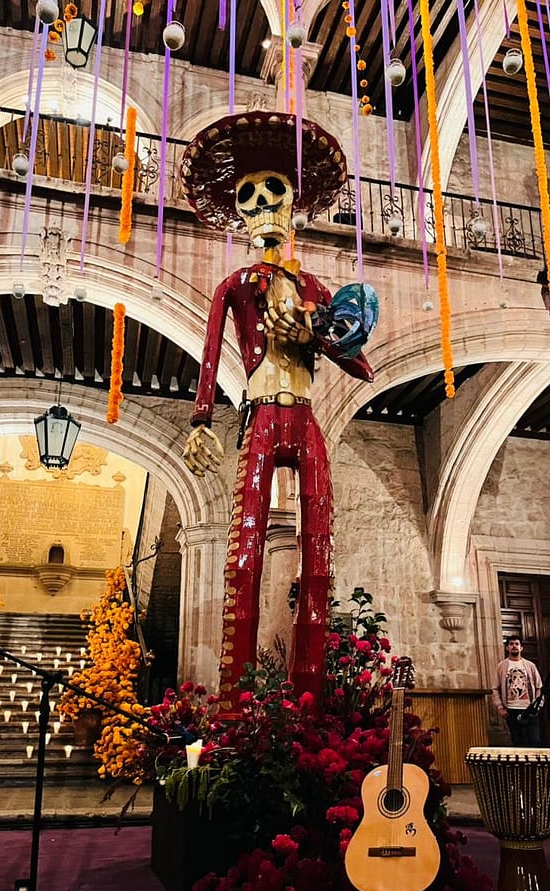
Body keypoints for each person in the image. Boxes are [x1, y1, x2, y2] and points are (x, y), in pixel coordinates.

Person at [179, 111, 378, 710]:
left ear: (292, 205)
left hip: (306, 417)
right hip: (262, 416)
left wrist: (322, 333)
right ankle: (236, 706)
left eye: (275, 192)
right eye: (251, 195)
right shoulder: (234, 286)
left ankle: (310, 703)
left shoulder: (317, 288)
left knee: (319, 555)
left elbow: (362, 364)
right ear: (241, 211)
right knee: (246, 553)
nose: (264, 206)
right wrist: (201, 420)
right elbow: (211, 351)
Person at [492, 635, 543, 746]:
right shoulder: (501, 666)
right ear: (507, 648)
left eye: (516, 644)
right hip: (511, 710)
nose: (514, 646)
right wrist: (500, 707)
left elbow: (539, 687)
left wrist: (537, 706)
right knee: (518, 742)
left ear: (521, 648)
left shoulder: (530, 666)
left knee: (534, 741)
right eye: (511, 644)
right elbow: (495, 688)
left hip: (529, 709)